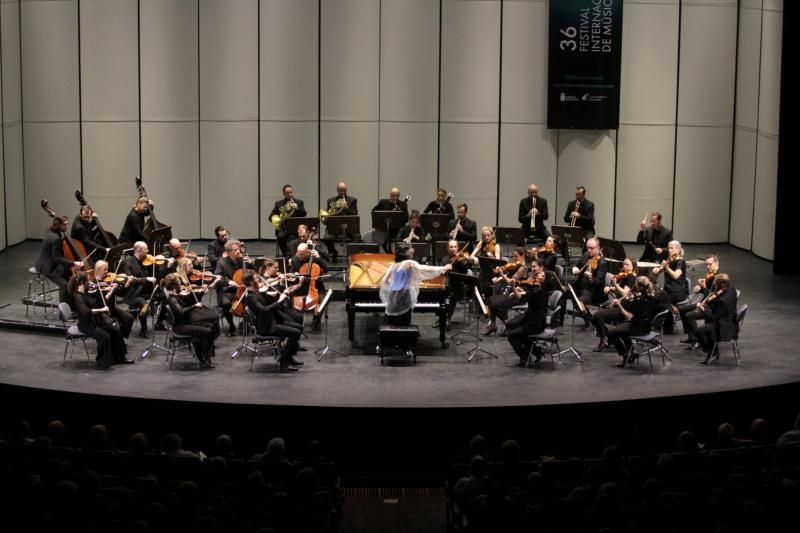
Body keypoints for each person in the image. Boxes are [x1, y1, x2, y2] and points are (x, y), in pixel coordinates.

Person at [68, 272, 131, 368]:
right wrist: (101, 310)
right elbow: (85, 311)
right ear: (81, 282)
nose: (90, 283)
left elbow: (101, 302)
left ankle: (120, 358)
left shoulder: (88, 292)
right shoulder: (77, 296)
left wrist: (107, 291)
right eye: (87, 281)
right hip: (87, 324)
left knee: (116, 330)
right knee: (104, 336)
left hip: (97, 320)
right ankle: (102, 362)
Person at [243, 272, 303, 372]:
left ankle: (288, 356)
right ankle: (284, 360)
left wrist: (281, 288)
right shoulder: (250, 297)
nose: (259, 280)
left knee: (300, 328)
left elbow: (271, 303)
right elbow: (264, 310)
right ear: (250, 282)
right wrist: (279, 301)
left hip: (273, 321)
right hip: (266, 327)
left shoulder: (257, 292)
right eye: (256, 279)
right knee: (295, 333)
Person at [380, 244, 452, 326]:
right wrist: (443, 268)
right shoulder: (409, 262)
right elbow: (425, 268)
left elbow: (384, 280)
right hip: (404, 295)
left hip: (393, 296)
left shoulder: (394, 265)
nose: (413, 250)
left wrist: (394, 287)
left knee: (393, 320)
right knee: (404, 320)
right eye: (411, 249)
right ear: (406, 253)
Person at [163, 273, 216, 368]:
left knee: (211, 326)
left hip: (186, 322)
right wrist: (194, 306)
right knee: (208, 331)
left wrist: (201, 292)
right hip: (180, 327)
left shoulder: (177, 294)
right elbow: (181, 311)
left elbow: (190, 301)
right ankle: (205, 358)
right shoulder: (172, 299)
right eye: (179, 282)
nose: (181, 284)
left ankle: (203, 355)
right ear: (175, 285)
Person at [605, 276, 659, 367]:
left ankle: (624, 354)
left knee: (611, 332)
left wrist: (619, 305)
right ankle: (632, 353)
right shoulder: (653, 298)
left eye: (637, 285)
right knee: (622, 331)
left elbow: (628, 317)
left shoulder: (638, 301)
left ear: (641, 287)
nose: (635, 287)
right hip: (647, 327)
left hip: (637, 329)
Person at [592, 257, 637, 351]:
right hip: (619, 305)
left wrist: (615, 284)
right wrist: (610, 288)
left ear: (633, 266)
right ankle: (608, 337)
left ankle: (604, 339)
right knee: (593, 317)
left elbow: (624, 292)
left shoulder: (632, 277)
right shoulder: (625, 276)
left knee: (598, 315)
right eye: (624, 264)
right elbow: (618, 288)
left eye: (627, 264)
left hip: (625, 309)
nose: (624, 266)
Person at [506, 267, 549, 366]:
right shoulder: (540, 289)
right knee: (518, 332)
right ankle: (536, 352)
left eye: (541, 275)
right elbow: (528, 294)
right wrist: (520, 289)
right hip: (536, 321)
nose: (538, 275)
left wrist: (513, 287)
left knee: (511, 336)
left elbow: (521, 297)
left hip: (533, 325)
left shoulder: (538, 292)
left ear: (544, 280)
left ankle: (525, 357)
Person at [36, 215, 83, 303]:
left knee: (70, 276)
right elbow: (57, 258)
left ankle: (72, 304)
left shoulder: (50, 230)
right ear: (58, 225)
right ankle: (63, 311)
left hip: (46, 262)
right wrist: (74, 263)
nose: (67, 227)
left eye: (67, 224)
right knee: (64, 285)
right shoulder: (55, 239)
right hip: (47, 267)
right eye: (64, 225)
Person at [679, 254, 720, 350]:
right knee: (682, 309)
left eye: (710, 264)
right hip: (704, 302)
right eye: (706, 265)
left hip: (711, 307)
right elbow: (708, 290)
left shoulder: (719, 277)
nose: (708, 267)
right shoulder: (711, 274)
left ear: (717, 263)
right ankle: (691, 336)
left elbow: (713, 296)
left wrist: (703, 287)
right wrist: (700, 288)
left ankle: (697, 340)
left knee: (689, 315)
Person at [484, 248, 528, 336]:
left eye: (516, 256)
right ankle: (493, 324)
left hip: (516, 294)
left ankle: (507, 325)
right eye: (514, 256)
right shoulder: (514, 266)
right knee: (491, 299)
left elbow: (510, 281)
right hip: (509, 291)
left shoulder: (522, 268)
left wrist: (502, 275)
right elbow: (506, 275)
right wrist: (497, 277)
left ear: (522, 255)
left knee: (495, 304)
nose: (515, 258)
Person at [696, 273, 738, 365]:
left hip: (724, 327)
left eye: (715, 284)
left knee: (700, 331)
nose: (714, 285)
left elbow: (713, 317)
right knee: (707, 324)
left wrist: (704, 309)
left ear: (721, 285)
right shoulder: (731, 289)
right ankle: (713, 351)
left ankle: (712, 352)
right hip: (731, 320)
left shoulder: (722, 301)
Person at [214, 239, 253, 336]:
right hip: (228, 290)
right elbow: (217, 277)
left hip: (243, 288)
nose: (238, 251)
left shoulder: (242, 260)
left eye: (238, 249)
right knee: (225, 303)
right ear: (228, 252)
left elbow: (253, 274)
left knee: (254, 300)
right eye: (235, 250)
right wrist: (228, 281)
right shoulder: (221, 262)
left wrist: (251, 264)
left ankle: (245, 323)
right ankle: (231, 324)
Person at [121, 241, 159, 337]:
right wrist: (146, 279)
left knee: (164, 296)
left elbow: (155, 275)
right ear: (139, 250)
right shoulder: (128, 262)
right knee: (144, 305)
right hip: (134, 294)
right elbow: (131, 280)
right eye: (146, 249)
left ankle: (160, 322)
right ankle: (143, 329)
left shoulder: (145, 261)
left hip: (147, 291)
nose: (148, 251)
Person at [650, 240, 688, 334]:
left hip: (678, 291)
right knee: (654, 298)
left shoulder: (681, 262)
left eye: (672, 248)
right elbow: (659, 271)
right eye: (669, 248)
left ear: (678, 250)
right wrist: (657, 270)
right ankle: (659, 323)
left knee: (662, 301)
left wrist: (666, 268)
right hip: (669, 290)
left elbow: (675, 275)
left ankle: (668, 328)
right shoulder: (670, 260)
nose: (669, 250)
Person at [289, 243, 329, 330]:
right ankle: (296, 320)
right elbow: (291, 273)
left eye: (302, 254)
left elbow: (326, 270)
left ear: (308, 252)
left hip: (315, 285)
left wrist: (319, 258)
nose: (299, 256)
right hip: (300, 286)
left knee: (323, 300)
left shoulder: (315, 258)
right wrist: (295, 274)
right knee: (291, 299)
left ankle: (316, 319)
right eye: (298, 253)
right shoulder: (295, 259)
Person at [92, 260, 135, 339]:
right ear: (98, 270)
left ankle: (121, 338)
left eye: (107, 269)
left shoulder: (109, 280)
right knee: (112, 324)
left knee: (129, 318)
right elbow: (103, 301)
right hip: (102, 311)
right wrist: (112, 290)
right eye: (104, 270)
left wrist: (128, 283)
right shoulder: (94, 284)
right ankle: (116, 339)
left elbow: (121, 294)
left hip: (112, 308)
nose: (107, 272)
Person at [570, 237, 608, 323]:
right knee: (564, 292)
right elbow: (577, 264)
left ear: (598, 248)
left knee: (579, 302)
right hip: (579, 285)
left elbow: (598, 281)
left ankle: (589, 319)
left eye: (592, 248)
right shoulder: (586, 255)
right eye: (587, 248)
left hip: (591, 290)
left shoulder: (602, 263)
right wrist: (575, 268)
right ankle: (560, 321)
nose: (589, 250)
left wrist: (591, 278)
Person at [437, 240, 470, 328]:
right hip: (446, 284)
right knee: (441, 294)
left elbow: (465, 272)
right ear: (448, 249)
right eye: (451, 247)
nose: (453, 249)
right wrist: (445, 269)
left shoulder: (461, 259)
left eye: (455, 247)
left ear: (458, 248)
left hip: (457, 286)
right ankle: (441, 317)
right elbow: (440, 273)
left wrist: (464, 262)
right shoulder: (444, 259)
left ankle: (448, 317)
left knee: (451, 297)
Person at [322, 182, 358, 261]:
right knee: (326, 238)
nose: (343, 193)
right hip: (334, 228)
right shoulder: (331, 200)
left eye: (344, 190)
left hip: (348, 228)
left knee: (357, 237)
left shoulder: (352, 200)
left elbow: (355, 213)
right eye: (341, 191)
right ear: (337, 190)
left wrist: (346, 208)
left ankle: (351, 255)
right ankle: (334, 251)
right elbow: (328, 214)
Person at [269, 184, 307, 257]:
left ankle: (293, 254)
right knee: (280, 237)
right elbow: (271, 217)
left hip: (295, 229)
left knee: (293, 238)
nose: (290, 194)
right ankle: (285, 254)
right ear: (284, 194)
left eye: (291, 192)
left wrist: (297, 208)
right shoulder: (279, 204)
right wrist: (278, 221)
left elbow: (304, 214)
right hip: (283, 228)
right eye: (287, 193)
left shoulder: (299, 202)